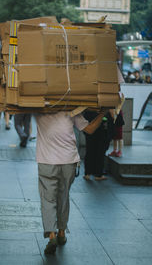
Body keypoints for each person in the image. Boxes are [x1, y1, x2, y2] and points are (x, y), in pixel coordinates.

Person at [35, 109, 107, 255]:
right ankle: (61, 233)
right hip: (69, 161)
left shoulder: (39, 108)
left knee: (48, 199)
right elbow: (90, 129)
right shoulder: (72, 109)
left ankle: (52, 235)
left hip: (46, 161)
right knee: (63, 196)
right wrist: (103, 112)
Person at [83, 110, 114, 181]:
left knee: (90, 151)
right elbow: (113, 117)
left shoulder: (90, 107)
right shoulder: (107, 105)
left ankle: (88, 173)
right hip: (102, 131)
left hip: (92, 130)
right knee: (99, 153)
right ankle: (98, 174)